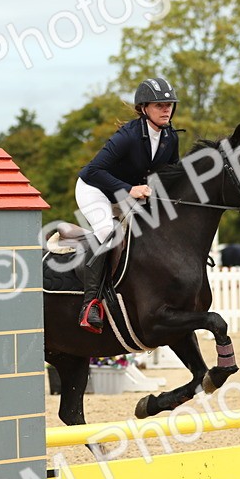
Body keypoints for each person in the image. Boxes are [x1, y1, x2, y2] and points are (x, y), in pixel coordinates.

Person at [74, 76, 181, 333]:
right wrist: (128, 188)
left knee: (156, 230)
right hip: (95, 190)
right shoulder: (128, 137)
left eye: (169, 104)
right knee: (111, 235)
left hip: (129, 196)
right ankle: (91, 305)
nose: (166, 109)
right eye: (159, 105)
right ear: (144, 108)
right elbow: (93, 171)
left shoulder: (171, 137)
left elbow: (171, 174)